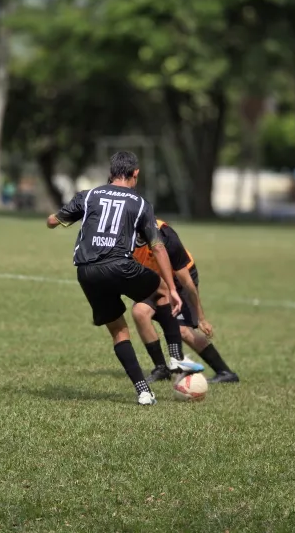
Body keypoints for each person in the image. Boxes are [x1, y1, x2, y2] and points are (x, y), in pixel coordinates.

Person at [46, 150, 203, 406]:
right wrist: (173, 289)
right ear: (135, 173)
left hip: (87, 272)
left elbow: (53, 221)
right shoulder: (140, 204)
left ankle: (143, 392)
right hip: (121, 266)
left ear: (111, 173)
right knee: (163, 290)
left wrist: (57, 219)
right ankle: (175, 357)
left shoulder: (89, 195)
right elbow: (158, 247)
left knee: (119, 331)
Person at [131, 219, 239, 384]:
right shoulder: (123, 234)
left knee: (182, 331)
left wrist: (201, 318)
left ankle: (225, 372)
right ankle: (161, 369)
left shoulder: (167, 238)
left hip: (179, 279)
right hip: (154, 278)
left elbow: (188, 284)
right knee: (140, 312)